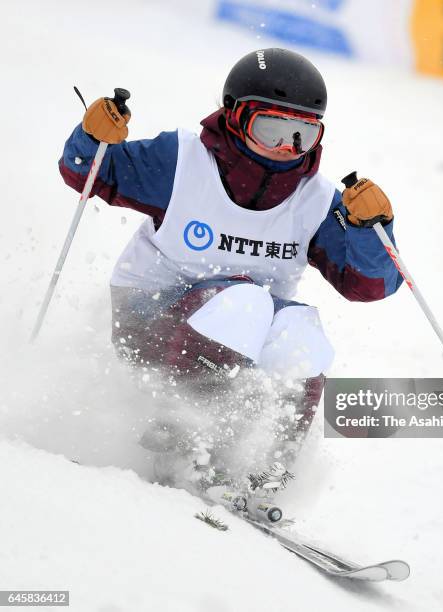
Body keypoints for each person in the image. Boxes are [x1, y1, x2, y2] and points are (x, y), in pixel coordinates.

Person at [59, 48, 403, 488]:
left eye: (302, 135)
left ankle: (266, 469)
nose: (286, 149)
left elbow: (369, 285)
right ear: (236, 116)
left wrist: (369, 230)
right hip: (148, 320)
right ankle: (181, 441)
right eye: (271, 129)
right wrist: (94, 138)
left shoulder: (315, 199)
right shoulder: (182, 161)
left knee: (301, 333)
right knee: (245, 303)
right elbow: (85, 171)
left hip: (240, 333)